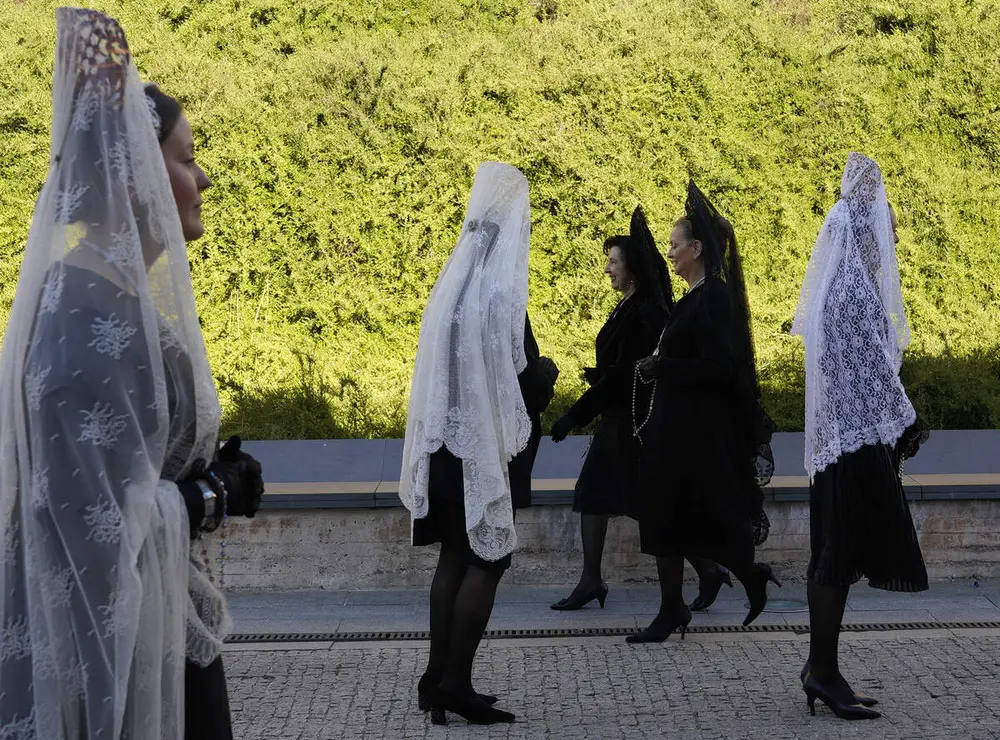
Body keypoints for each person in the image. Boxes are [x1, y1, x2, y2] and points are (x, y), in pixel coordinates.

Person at [0, 9, 264, 739]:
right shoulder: (80, 318)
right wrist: (207, 497)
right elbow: (86, 529)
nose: (202, 175)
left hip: (162, 630)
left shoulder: (116, 301)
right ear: (136, 173)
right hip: (114, 658)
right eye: (185, 157)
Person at [399, 162, 557, 725]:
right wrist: (547, 371)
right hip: (483, 453)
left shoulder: (450, 293)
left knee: (453, 557)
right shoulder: (499, 299)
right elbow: (521, 388)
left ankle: (435, 677)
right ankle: (457, 684)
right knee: (487, 562)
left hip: (445, 446)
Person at [792, 152, 928, 720]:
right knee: (837, 554)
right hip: (851, 447)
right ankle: (821, 672)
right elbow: (868, 366)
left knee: (838, 554)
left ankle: (823, 668)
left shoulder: (845, 284)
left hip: (846, 443)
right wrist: (905, 416)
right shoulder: (850, 290)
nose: (893, 234)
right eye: (888, 223)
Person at [630, 181, 778, 643]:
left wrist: (664, 365)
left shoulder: (712, 296)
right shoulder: (696, 296)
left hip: (692, 432)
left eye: (675, 246)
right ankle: (678, 604)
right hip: (677, 428)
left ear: (696, 248)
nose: (670, 253)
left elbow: (720, 367)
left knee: (677, 516)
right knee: (672, 518)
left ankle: (726, 583)